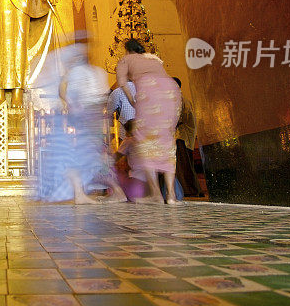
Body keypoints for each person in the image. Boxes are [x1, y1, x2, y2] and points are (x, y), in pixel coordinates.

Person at [61, 41, 127, 203]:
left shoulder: (75, 73)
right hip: (94, 116)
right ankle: (82, 193)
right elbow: (104, 97)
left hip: (86, 116)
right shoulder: (98, 72)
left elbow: (65, 93)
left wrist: (72, 106)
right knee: (89, 155)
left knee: (86, 155)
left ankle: (110, 191)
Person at [116, 39, 182, 204]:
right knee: (166, 141)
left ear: (127, 50)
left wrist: (133, 101)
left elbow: (122, 83)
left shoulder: (126, 60)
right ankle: (171, 195)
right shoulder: (153, 58)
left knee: (145, 142)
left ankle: (156, 195)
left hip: (149, 90)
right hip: (171, 91)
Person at [172, 77, 204, 197]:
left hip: (182, 137)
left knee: (183, 165)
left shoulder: (179, 100)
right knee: (184, 165)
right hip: (182, 137)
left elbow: (177, 119)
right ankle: (190, 190)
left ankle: (190, 190)